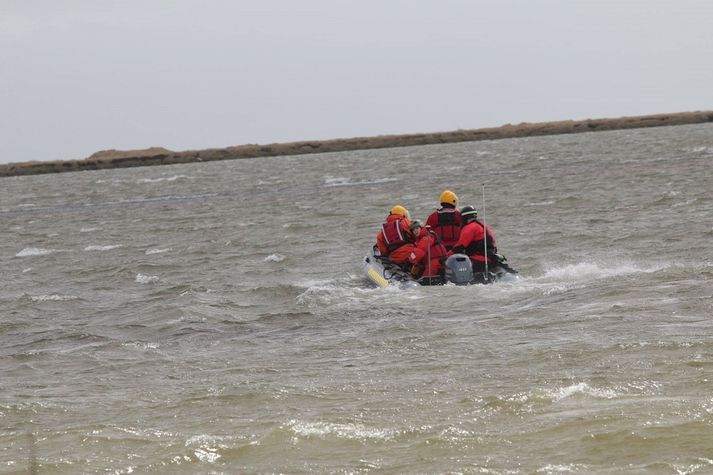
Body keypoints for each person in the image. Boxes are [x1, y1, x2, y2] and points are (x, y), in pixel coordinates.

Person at [450, 205, 505, 272]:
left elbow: (459, 247)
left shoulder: (469, 228)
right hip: (491, 258)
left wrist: (446, 257)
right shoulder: (484, 226)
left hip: (479, 261)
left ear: (464, 217)